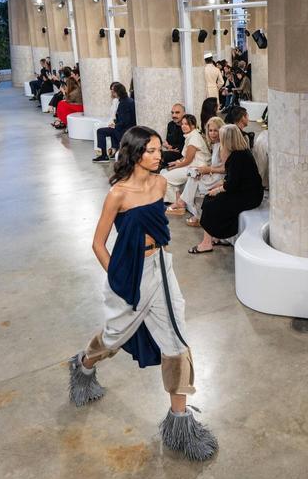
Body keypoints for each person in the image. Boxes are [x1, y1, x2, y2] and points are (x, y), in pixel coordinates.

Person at [65, 126, 217, 460]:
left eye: (159, 149)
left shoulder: (161, 183)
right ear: (135, 153)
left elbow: (156, 225)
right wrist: (118, 277)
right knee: (114, 336)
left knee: (177, 340)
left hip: (162, 267)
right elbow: (97, 243)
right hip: (129, 274)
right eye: (151, 150)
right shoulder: (118, 193)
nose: (158, 155)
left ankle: (180, 424)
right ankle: (84, 363)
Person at [190, 125, 264, 254]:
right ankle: (216, 236)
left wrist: (218, 189)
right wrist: (219, 186)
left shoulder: (237, 157)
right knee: (211, 199)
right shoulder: (241, 152)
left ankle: (207, 243)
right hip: (246, 192)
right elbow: (233, 179)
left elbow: (232, 184)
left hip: (249, 196)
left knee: (211, 202)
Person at [174, 117, 225, 224]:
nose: (212, 133)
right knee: (194, 173)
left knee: (194, 176)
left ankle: (183, 203)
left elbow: (226, 169)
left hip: (220, 178)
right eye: (210, 130)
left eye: (216, 130)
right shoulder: (215, 144)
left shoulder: (222, 147)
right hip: (214, 174)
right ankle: (194, 212)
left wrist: (208, 169)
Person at [161, 115, 209, 215]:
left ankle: (178, 204)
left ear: (193, 125)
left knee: (164, 178)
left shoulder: (194, 139)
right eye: (182, 124)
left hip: (196, 168)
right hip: (191, 165)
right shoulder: (190, 135)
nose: (183, 126)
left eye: (186, 124)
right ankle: (178, 201)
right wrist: (177, 162)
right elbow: (185, 157)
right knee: (163, 171)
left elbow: (188, 160)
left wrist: (175, 166)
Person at [93, 83, 136, 163]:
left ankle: (104, 156)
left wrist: (115, 125)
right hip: (128, 128)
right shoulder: (128, 100)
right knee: (111, 129)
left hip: (125, 130)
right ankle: (115, 152)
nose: (111, 93)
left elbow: (125, 121)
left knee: (100, 131)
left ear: (117, 92)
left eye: (113, 91)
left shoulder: (124, 103)